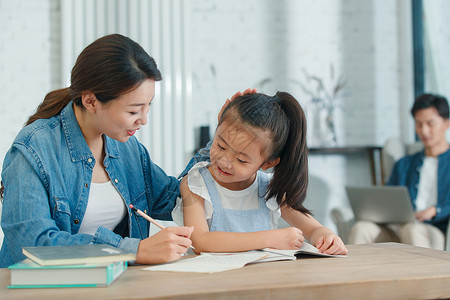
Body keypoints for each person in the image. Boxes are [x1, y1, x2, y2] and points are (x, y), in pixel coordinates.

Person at [0, 34, 195, 268]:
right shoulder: (34, 149)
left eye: (147, 107)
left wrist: (224, 143)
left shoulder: (127, 148)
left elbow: (175, 198)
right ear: (91, 101)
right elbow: (31, 246)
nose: (143, 120)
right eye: (133, 111)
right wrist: (134, 250)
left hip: (116, 285)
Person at [173, 92, 348, 255]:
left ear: (268, 163)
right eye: (220, 146)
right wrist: (271, 238)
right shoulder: (196, 183)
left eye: (241, 160)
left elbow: (313, 229)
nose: (224, 161)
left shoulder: (270, 188)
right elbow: (200, 242)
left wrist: (325, 236)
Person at [349, 94, 450, 249]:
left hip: (433, 229)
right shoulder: (404, 164)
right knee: (362, 228)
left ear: (446, 123)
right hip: (398, 226)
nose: (424, 131)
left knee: (413, 230)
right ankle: (354, 273)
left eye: (430, 124)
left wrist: (436, 210)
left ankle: (422, 274)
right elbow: (388, 199)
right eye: (418, 124)